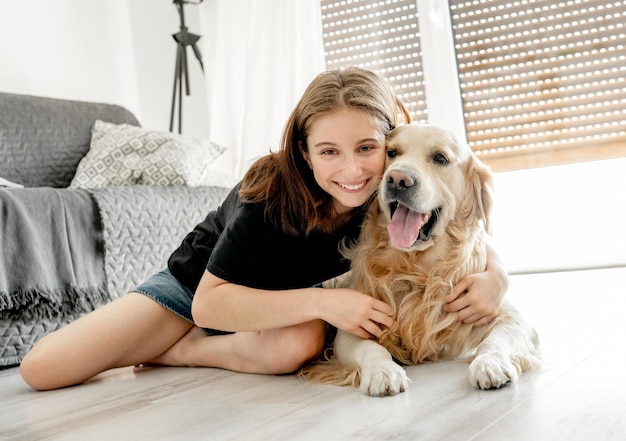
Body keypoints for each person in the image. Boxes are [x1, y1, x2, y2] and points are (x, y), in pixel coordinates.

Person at [20, 67, 509, 391]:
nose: (352, 170)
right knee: (42, 370)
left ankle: (186, 354)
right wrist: (323, 301)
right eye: (329, 152)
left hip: (275, 313)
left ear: (388, 143)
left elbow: (461, 225)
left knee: (298, 346)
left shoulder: (386, 190)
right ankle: (182, 340)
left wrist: (497, 276)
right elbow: (209, 302)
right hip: (199, 291)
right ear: (303, 150)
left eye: (367, 148)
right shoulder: (269, 193)